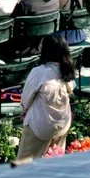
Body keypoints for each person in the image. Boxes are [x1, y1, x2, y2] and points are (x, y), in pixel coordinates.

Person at [17, 34, 74, 162]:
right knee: (55, 162)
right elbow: (70, 89)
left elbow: (26, 99)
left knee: (23, 165)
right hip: (62, 124)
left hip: (39, 125)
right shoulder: (66, 69)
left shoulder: (39, 72)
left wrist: (23, 111)